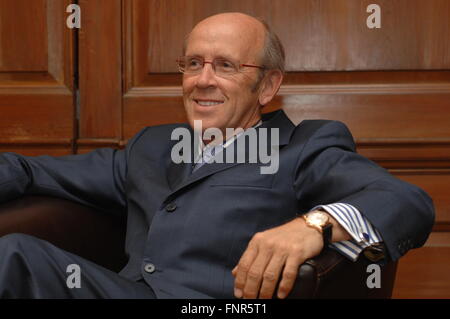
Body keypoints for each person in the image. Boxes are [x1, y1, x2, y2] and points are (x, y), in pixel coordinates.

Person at [0, 12, 434, 299]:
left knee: (15, 254)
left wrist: (314, 225)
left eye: (225, 66)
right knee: (16, 254)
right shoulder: (151, 147)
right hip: (126, 291)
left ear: (266, 86)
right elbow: (28, 171)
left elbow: (407, 202)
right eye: (193, 64)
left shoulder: (305, 146)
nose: (202, 80)